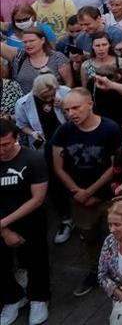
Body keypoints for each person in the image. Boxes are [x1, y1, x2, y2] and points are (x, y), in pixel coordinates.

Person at [51, 86, 122, 297]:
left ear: (90, 104)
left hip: (108, 196)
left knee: (117, 235)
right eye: (66, 110)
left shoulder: (110, 129)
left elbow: (114, 166)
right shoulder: (63, 131)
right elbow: (58, 166)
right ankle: (96, 270)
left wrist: (90, 192)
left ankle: (120, 272)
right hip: (79, 197)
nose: (71, 113)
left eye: (76, 108)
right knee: (90, 237)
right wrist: (77, 192)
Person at [0, 118, 49, 325]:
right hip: (1, 222)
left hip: (30, 219)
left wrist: (3, 223)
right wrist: (3, 230)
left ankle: (39, 298)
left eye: (5, 144)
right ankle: (12, 298)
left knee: (37, 259)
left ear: (16, 138)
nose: (1, 151)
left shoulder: (33, 159)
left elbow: (37, 198)